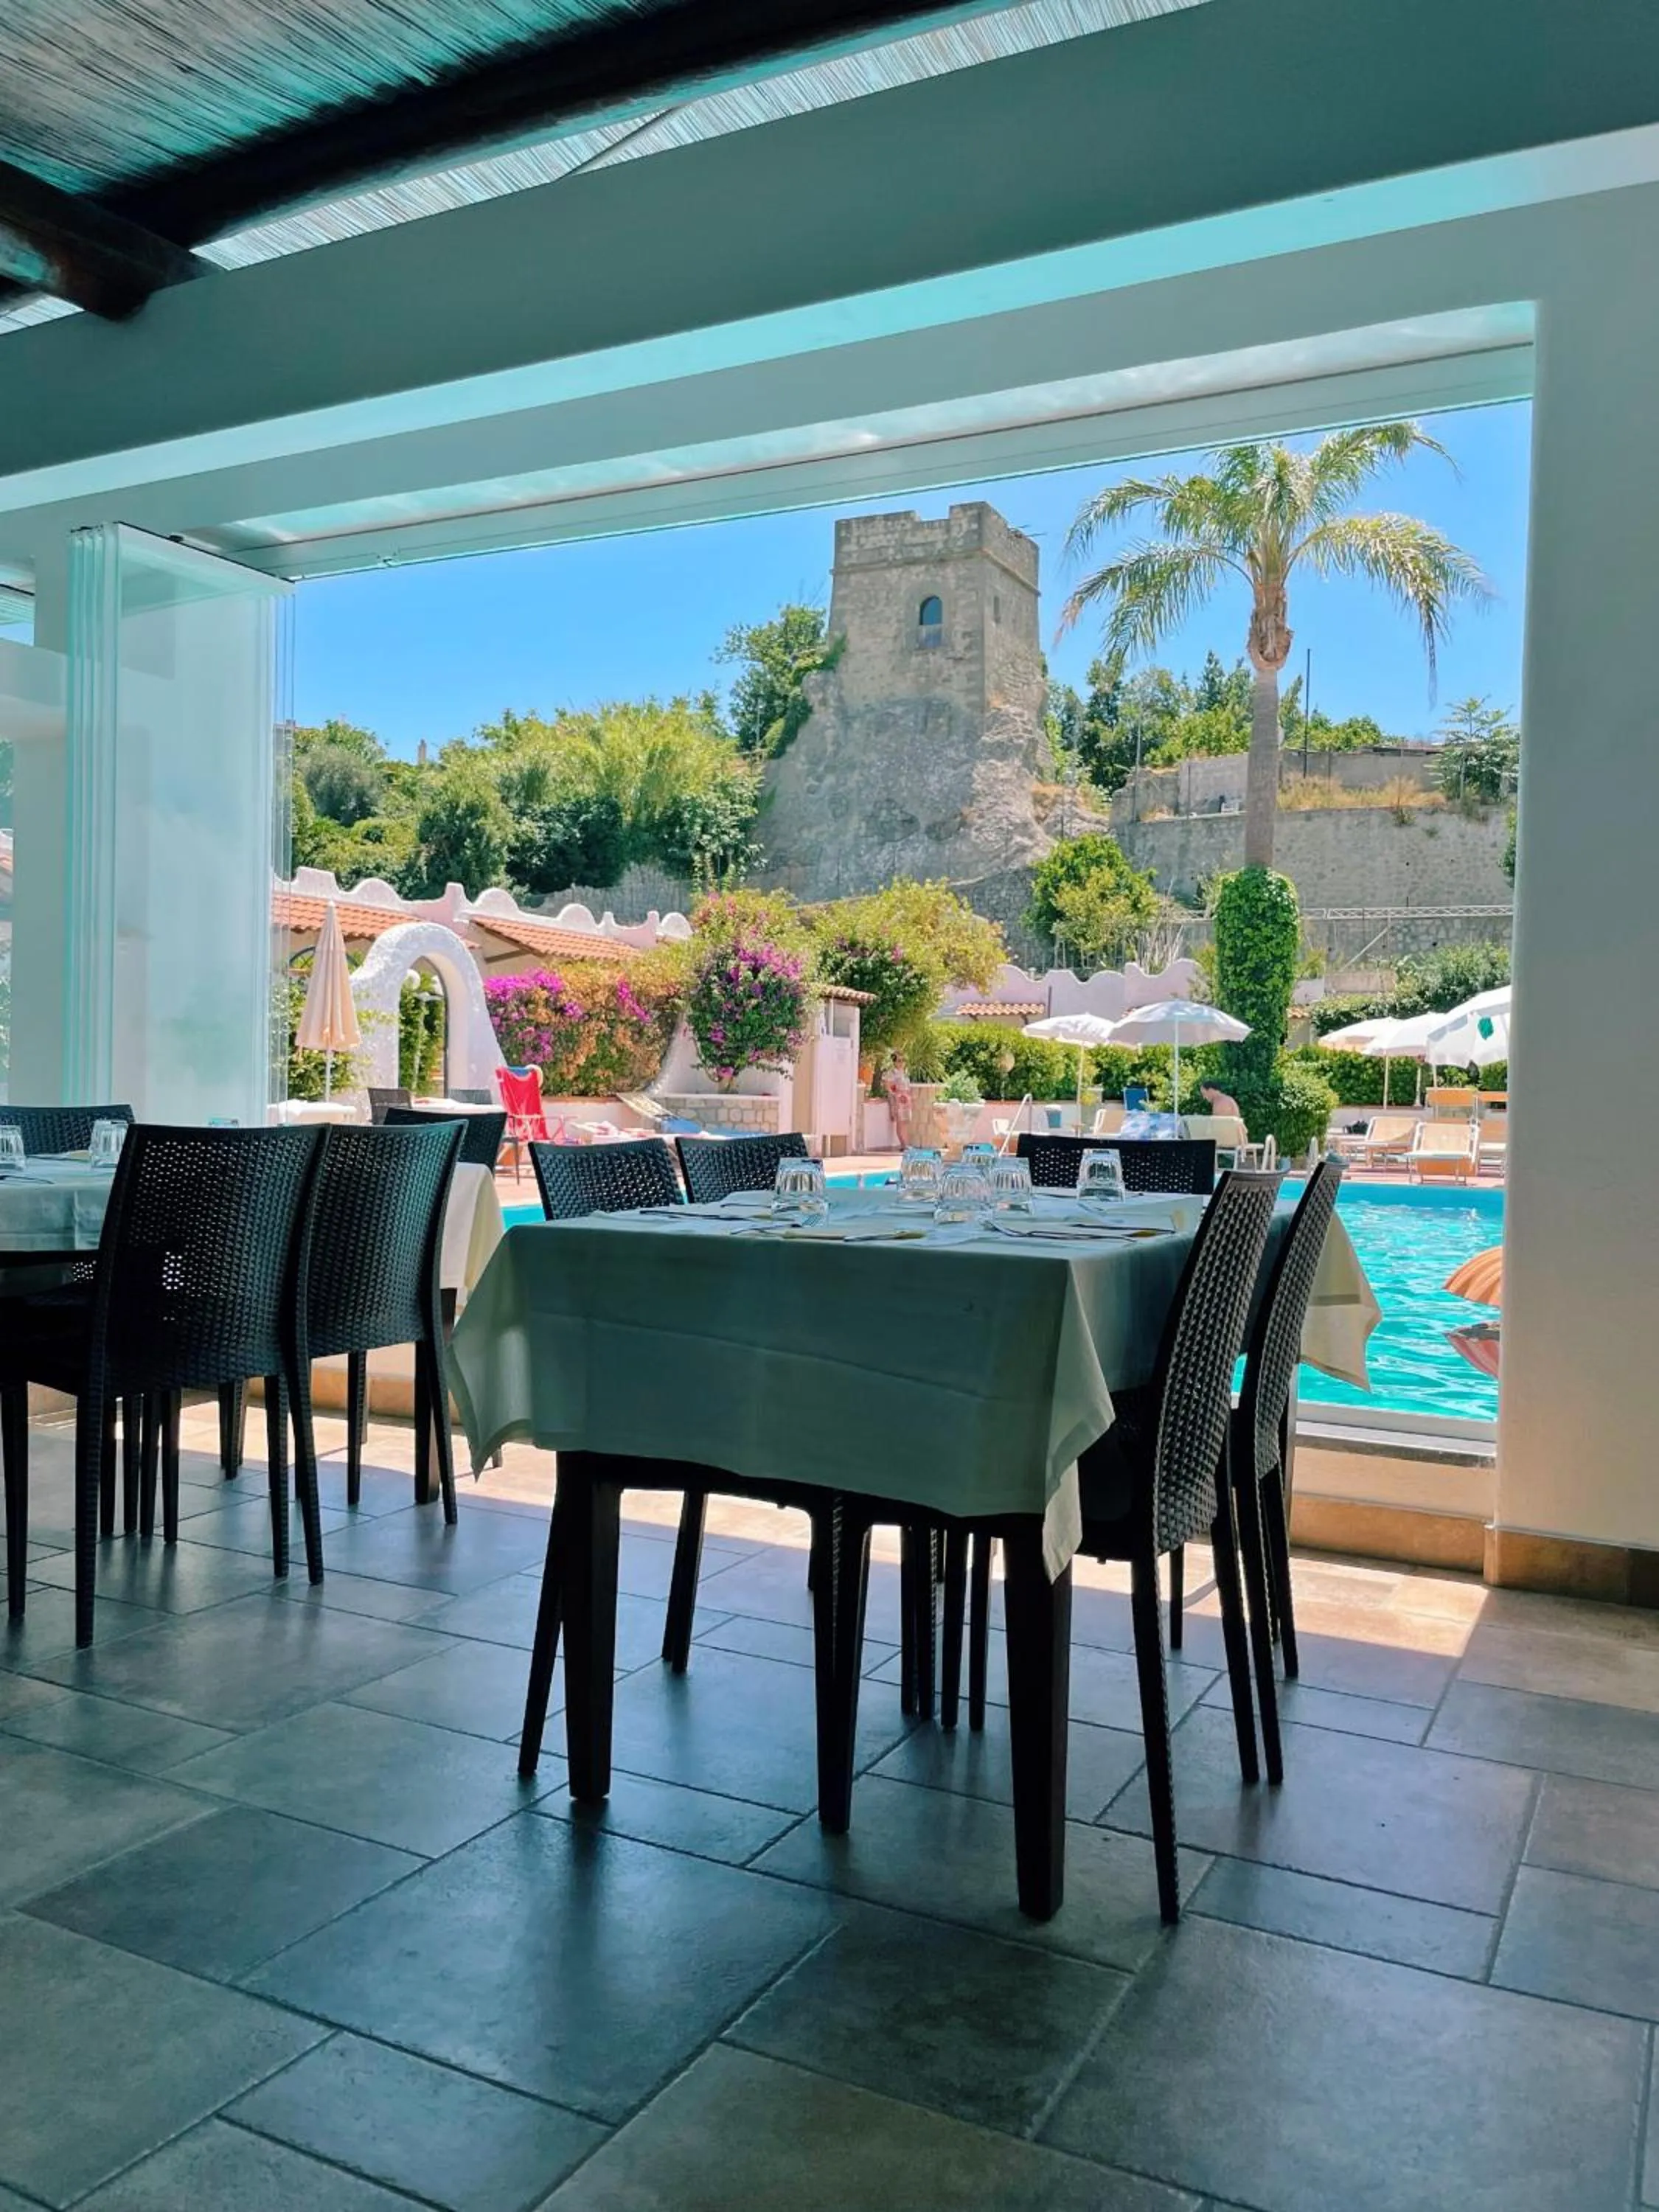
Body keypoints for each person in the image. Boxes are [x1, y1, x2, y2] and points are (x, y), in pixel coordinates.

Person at [884, 1054, 914, 1149]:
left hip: (906, 1099)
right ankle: (903, 1144)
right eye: (899, 1061)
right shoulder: (892, 1073)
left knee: (905, 1122)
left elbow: (908, 1087)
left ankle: (906, 1143)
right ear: (894, 1062)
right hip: (898, 1099)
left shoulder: (905, 1073)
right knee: (900, 1122)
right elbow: (888, 1087)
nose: (901, 1063)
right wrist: (896, 1095)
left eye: (903, 1060)